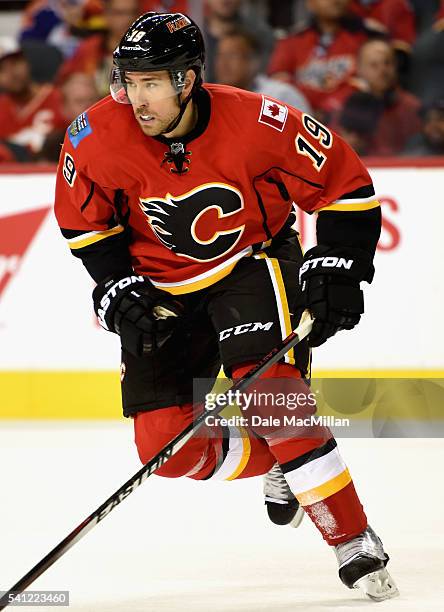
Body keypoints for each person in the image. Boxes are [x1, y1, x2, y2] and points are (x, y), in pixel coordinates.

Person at [54, 12, 398, 601]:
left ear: (188, 79)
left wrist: (341, 261)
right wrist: (113, 282)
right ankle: (281, 461)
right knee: (165, 448)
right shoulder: (94, 135)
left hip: (251, 262)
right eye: (129, 82)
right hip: (160, 285)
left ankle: (350, 537)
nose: (137, 98)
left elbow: (344, 185)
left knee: (272, 393)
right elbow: (85, 223)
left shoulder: (257, 120)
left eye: (152, 82)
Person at [267, 0, 383, 117]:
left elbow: (376, 83)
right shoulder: (292, 41)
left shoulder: (368, 37)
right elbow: (279, 86)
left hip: (351, 121)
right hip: (301, 118)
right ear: (310, 3)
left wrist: (330, 106)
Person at [348, 39, 421, 155]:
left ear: (396, 67)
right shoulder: (348, 106)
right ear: (359, 70)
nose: (382, 70)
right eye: (374, 65)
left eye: (387, 63)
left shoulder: (412, 106)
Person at [215, 28, 312, 112]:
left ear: (253, 62)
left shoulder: (282, 96)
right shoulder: (210, 98)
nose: (224, 63)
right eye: (220, 55)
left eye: (232, 55)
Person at [57, 0, 140, 97]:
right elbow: (64, 83)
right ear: (106, 15)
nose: (127, 19)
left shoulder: (149, 50)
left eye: (132, 13)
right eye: (119, 13)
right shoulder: (89, 48)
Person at [0, 37, 65, 158]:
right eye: (2, 69)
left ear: (27, 61)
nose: (12, 73)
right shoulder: (2, 107)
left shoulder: (61, 98)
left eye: (15, 63)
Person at [203, 0, 275, 83]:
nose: (225, 1)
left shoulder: (260, 34)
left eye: (233, 55)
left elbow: (264, 76)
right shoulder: (192, 33)